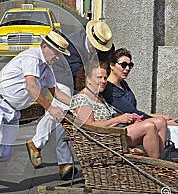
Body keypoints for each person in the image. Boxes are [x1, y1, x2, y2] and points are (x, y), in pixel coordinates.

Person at [0, 30, 72, 194]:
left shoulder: (47, 68)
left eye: (60, 54)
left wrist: (77, 105)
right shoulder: (32, 57)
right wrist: (51, 109)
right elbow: (31, 86)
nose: (58, 57)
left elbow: (56, 92)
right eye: (56, 52)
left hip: (12, 111)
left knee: (4, 154)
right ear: (45, 47)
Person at [27, 20, 115, 180]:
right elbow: (74, 72)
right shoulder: (73, 44)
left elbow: (104, 68)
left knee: (65, 118)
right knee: (60, 107)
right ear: (89, 36)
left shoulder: (108, 49)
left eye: (100, 47)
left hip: (87, 79)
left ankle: (64, 163)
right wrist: (85, 96)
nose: (97, 49)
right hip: (62, 75)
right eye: (95, 45)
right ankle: (40, 145)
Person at [102, 48, 178, 167]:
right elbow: (131, 111)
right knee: (169, 128)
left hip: (135, 123)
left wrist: (162, 118)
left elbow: (135, 111)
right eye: (123, 65)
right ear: (112, 65)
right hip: (126, 129)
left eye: (130, 65)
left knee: (176, 130)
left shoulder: (123, 84)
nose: (127, 68)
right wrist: (164, 120)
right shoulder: (110, 89)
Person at [70, 61, 163, 158]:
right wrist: (119, 119)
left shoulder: (100, 97)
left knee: (160, 122)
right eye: (99, 77)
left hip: (114, 132)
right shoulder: (82, 98)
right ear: (88, 79)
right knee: (149, 126)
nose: (103, 81)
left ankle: (161, 160)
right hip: (103, 139)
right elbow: (90, 126)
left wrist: (131, 120)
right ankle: (155, 165)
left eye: (105, 78)